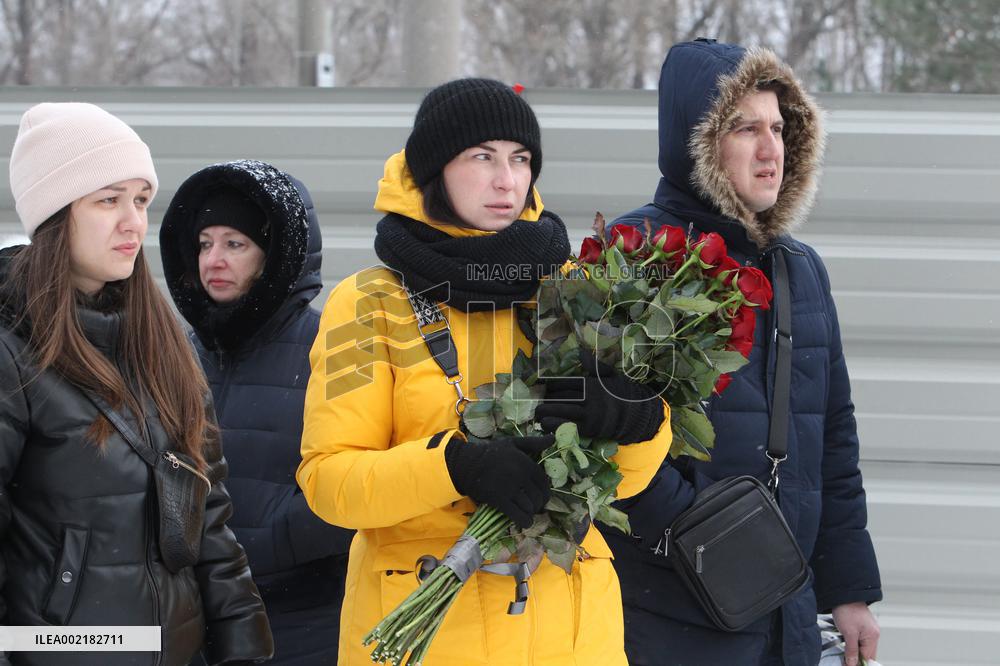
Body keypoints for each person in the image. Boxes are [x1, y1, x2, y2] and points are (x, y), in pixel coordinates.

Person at [296, 78, 673, 665]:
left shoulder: (574, 290)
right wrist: (451, 465)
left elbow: (619, 482)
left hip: (571, 636)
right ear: (434, 170)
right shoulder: (365, 304)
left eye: (520, 159)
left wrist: (643, 422)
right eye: (482, 157)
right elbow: (330, 483)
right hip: (430, 632)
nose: (508, 180)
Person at [600, 39, 883, 666]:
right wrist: (698, 536)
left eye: (779, 128)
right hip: (662, 616)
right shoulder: (632, 254)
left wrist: (850, 590)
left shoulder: (801, 269)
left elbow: (831, 436)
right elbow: (597, 437)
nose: (770, 149)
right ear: (695, 143)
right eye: (745, 128)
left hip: (787, 611)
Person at [0, 103, 273, 665]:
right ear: (55, 213)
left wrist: (243, 646)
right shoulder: (12, 348)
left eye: (140, 200)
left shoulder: (159, 339)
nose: (133, 222)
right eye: (108, 199)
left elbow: (210, 514)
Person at [160, 159, 353, 665]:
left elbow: (357, 483)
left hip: (301, 625)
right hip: (195, 622)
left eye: (235, 244)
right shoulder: (178, 353)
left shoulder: (333, 348)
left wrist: (258, 545)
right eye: (205, 243)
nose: (213, 260)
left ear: (275, 257)